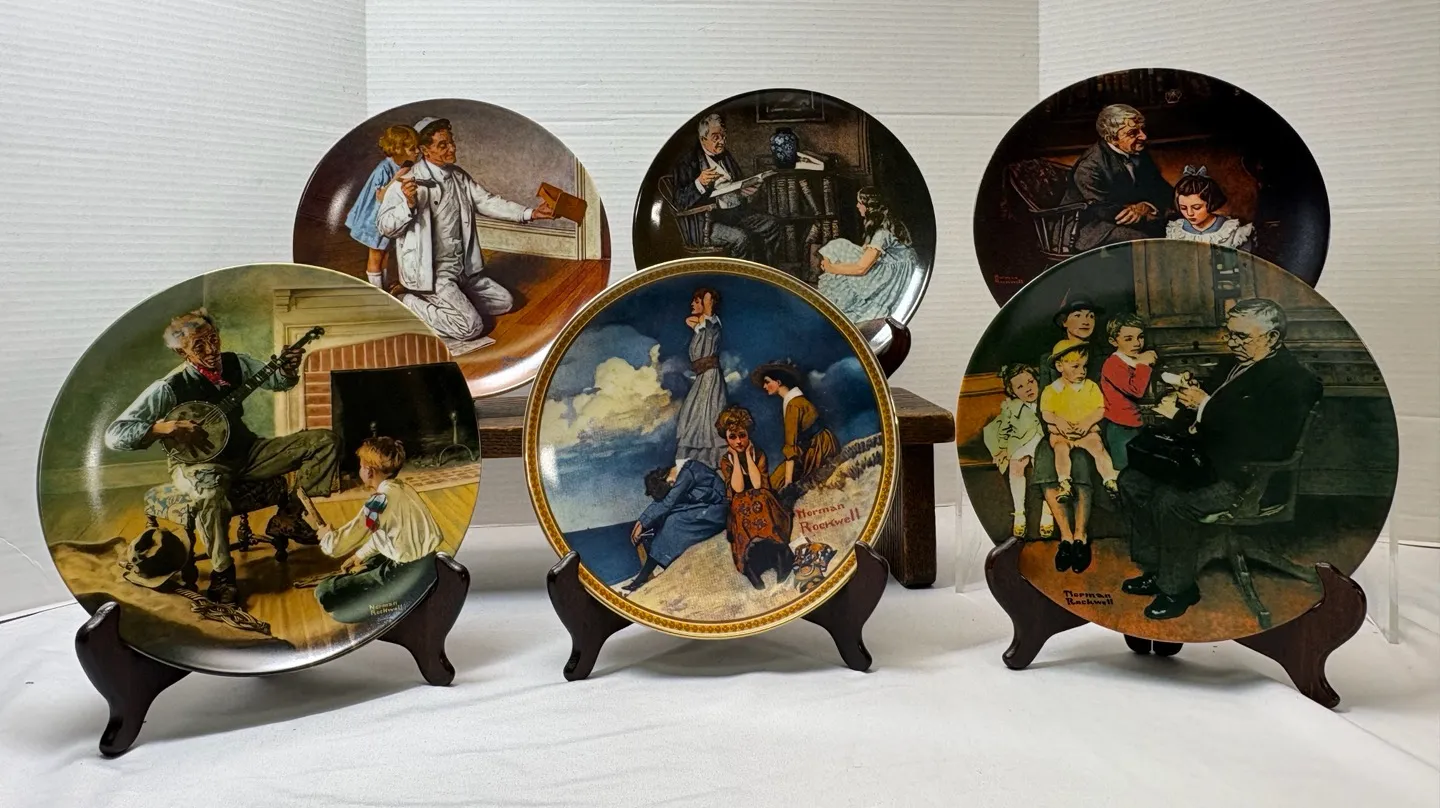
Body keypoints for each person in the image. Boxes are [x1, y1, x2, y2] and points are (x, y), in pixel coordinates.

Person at [104, 309, 339, 606]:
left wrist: (289, 369)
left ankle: (288, 517)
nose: (211, 349)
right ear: (182, 352)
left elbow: (279, 382)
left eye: (213, 339)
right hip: (198, 465)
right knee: (210, 495)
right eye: (199, 345)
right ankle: (222, 573)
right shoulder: (168, 387)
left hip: (247, 453)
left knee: (324, 441)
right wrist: (163, 428)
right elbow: (115, 434)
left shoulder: (236, 363)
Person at [1119, 298, 1322, 621]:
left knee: (1171, 501)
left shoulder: (1294, 380)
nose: (1231, 342)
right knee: (1131, 481)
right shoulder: (1234, 363)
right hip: (1205, 461)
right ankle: (1157, 569)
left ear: (1272, 338)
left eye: (1241, 336)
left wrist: (1203, 406)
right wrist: (1186, 404)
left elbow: (1268, 444)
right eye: (1229, 334)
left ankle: (1177, 589)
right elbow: (1213, 410)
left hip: (1247, 478)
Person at [377, 116, 556, 354]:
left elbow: (487, 201)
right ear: (424, 150)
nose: (452, 148)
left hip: (463, 271)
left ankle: (453, 302)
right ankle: (406, 301)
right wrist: (408, 205)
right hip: (433, 275)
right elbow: (384, 227)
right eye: (443, 145)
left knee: (506, 302)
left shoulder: (458, 176)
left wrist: (531, 213)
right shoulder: (406, 183)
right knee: (471, 328)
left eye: (451, 142)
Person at [314, 437, 442, 624]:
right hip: (428, 561)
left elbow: (338, 546)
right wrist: (358, 556)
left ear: (368, 470)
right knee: (368, 565)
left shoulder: (379, 501)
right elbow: (383, 534)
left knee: (324, 591)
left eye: (360, 466)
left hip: (404, 571)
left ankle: (399, 598)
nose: (360, 470)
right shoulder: (403, 488)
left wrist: (326, 537)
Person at [1029, 297, 1104, 566]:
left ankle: (1081, 536)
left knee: (1081, 462)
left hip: (1091, 429)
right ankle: (1066, 538)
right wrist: (1057, 425)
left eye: (1091, 316)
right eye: (1078, 315)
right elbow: (1044, 402)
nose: (1086, 321)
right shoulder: (1049, 359)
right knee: (1046, 458)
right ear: (1064, 322)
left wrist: (1087, 426)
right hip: (1058, 430)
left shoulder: (1100, 356)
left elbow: (1104, 402)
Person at [667, 112, 782, 262]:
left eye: (723, 136)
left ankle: (767, 268)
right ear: (703, 139)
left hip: (734, 214)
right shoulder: (687, 163)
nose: (722, 141)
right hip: (705, 223)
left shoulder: (726, 156)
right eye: (716, 137)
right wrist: (699, 183)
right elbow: (679, 202)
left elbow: (737, 184)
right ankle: (740, 274)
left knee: (772, 224)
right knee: (740, 238)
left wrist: (745, 192)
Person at [1060, 104, 1173, 252]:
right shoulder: (1089, 166)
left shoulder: (1138, 152)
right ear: (1112, 138)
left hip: (1120, 218)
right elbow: (1103, 209)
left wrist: (1146, 206)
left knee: (1176, 226)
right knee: (1143, 240)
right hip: (1087, 227)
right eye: (1133, 133)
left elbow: (1161, 188)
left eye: (1142, 129)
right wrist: (1139, 212)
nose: (1143, 136)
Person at [715, 405, 796, 589]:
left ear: (748, 434)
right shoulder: (726, 460)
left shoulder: (758, 454)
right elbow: (737, 488)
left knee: (760, 498)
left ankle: (777, 554)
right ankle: (752, 562)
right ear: (726, 438)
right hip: (741, 504)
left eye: (742, 435)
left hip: (763, 498)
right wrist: (736, 459)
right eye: (732, 437)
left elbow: (758, 484)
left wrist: (748, 456)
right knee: (740, 504)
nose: (738, 441)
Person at [816, 187, 921, 322]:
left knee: (837, 247)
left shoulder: (882, 233)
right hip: (894, 265)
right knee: (839, 244)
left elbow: (861, 268)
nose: (857, 206)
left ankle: (837, 293)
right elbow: (867, 252)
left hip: (893, 276)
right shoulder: (887, 223)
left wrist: (831, 268)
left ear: (870, 207)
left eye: (860, 203)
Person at [624, 459, 729, 594]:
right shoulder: (678, 473)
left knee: (672, 522)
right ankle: (645, 576)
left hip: (717, 510)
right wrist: (641, 522)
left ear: (669, 481)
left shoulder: (688, 472)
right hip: (704, 505)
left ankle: (647, 575)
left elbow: (668, 501)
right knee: (667, 520)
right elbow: (665, 501)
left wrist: (643, 524)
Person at [1040, 339, 1121, 505]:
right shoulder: (1052, 390)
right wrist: (1058, 422)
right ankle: (1064, 483)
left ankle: (1110, 480)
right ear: (1060, 366)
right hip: (1062, 434)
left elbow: (1100, 409)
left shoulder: (1090, 386)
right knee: (1061, 450)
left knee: (1098, 448)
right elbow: (1046, 413)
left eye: (1084, 366)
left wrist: (1087, 423)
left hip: (1086, 432)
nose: (1082, 371)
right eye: (1075, 366)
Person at [982, 363, 1056, 539]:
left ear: (1037, 381)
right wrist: (1001, 448)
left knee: (1046, 467)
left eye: (1031, 382)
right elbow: (1003, 429)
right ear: (1013, 391)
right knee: (1016, 466)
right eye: (1020, 387)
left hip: (1042, 442)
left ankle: (1048, 511)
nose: (1028, 389)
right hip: (1020, 442)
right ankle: (1019, 512)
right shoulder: (1012, 407)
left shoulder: (1046, 400)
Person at [346, 124, 419, 288]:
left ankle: (383, 289)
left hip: (387, 217)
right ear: (398, 149)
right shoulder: (384, 168)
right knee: (376, 255)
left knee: (384, 254)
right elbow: (380, 196)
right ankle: (377, 292)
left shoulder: (403, 166)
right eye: (412, 148)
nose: (417, 151)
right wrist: (397, 177)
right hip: (374, 219)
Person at [750, 361, 839, 493]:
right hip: (822, 442)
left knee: (774, 485)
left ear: (778, 382)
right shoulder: (796, 400)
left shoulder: (793, 405)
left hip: (817, 448)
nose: (764, 386)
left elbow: (791, 447)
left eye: (767, 382)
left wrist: (787, 482)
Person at [673, 287, 727, 468]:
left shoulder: (711, 325)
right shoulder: (700, 326)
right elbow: (688, 320)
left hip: (710, 376)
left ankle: (712, 461)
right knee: (693, 414)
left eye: (697, 301)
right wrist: (700, 316)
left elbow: (708, 307)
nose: (692, 304)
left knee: (707, 414)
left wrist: (706, 303)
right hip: (702, 376)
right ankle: (692, 461)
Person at [1099, 312, 1157, 470]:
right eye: (1128, 339)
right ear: (1113, 341)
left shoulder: (1133, 359)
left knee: (1140, 468)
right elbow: (1136, 390)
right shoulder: (1113, 364)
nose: (1137, 343)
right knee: (1124, 470)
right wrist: (1144, 364)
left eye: (1140, 337)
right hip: (1119, 427)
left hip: (1135, 423)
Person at [1164, 165, 1256, 250]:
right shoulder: (1176, 230)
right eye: (1183, 208)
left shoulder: (1231, 231)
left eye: (1197, 207)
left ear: (1211, 203)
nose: (1189, 213)